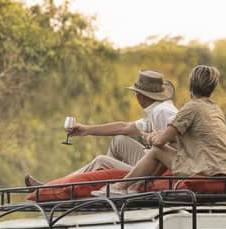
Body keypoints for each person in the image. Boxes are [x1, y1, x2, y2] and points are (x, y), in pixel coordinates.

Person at [95, 64, 226, 194]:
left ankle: (119, 187)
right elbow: (175, 136)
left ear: (190, 87)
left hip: (205, 169)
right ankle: (135, 186)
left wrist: (150, 137)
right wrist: (159, 135)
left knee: (157, 150)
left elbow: (160, 142)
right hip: (225, 167)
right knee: (160, 149)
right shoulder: (215, 109)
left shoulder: (190, 108)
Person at [26, 70, 178, 188]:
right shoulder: (157, 109)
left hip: (157, 169)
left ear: (141, 96)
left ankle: (50, 188)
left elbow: (178, 141)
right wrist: (86, 130)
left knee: (100, 161)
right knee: (119, 140)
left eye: (136, 94)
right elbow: (124, 127)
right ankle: (105, 182)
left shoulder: (163, 112)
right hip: (152, 160)